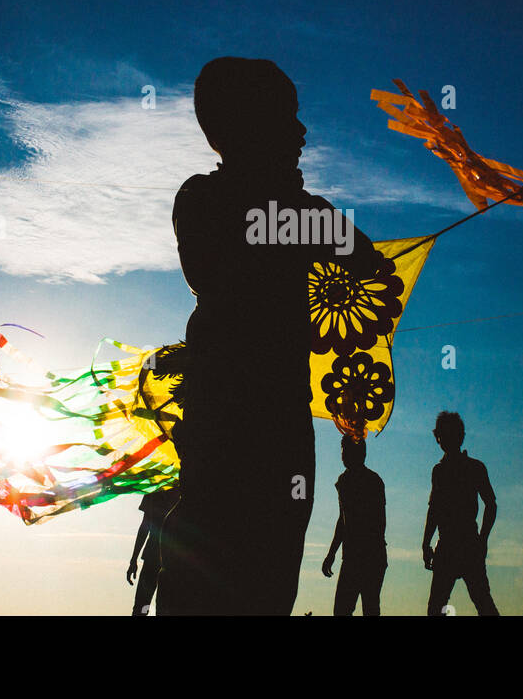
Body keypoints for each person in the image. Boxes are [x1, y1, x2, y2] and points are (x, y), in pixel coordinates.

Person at [158, 57, 378, 615]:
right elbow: (213, 270)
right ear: (244, 127)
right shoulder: (207, 197)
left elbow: (363, 257)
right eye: (287, 118)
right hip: (234, 420)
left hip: (275, 421)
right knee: (215, 568)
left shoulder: (288, 208)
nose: (302, 134)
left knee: (269, 576)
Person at [423, 411, 499, 616]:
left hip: (464, 543)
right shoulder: (441, 470)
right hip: (452, 544)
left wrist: (483, 539)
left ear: (459, 436)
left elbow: (491, 504)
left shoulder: (472, 468)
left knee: (481, 601)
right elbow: (434, 510)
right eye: (442, 435)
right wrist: (426, 542)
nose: (444, 439)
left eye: (448, 434)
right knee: (477, 602)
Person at [321, 435, 387, 615]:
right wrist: (332, 553)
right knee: (356, 609)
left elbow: (379, 522)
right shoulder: (347, 481)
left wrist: (334, 553)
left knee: (364, 609)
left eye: (344, 451)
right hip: (362, 556)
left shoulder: (368, 481)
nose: (342, 456)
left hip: (366, 556)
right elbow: (343, 520)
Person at [127, 486, 180, 616]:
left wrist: (134, 559)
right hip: (165, 556)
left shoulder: (156, 492)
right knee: (147, 606)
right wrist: (133, 559)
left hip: (165, 557)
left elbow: (145, 526)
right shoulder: (173, 492)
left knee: (144, 606)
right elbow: (145, 526)